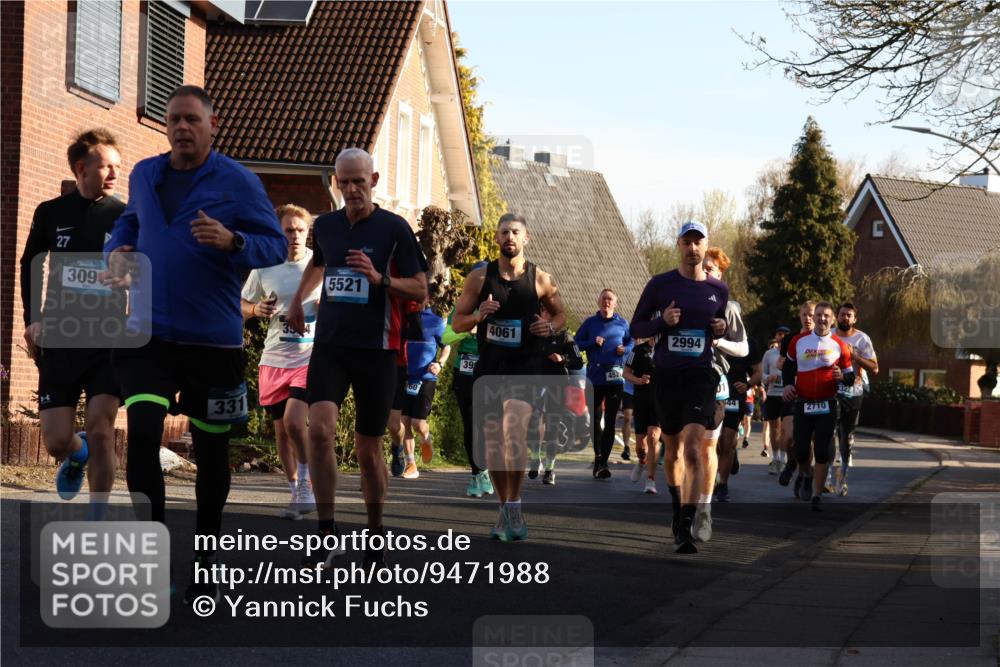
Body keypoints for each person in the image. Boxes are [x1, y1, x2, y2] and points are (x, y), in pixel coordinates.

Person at [103, 86, 287, 603]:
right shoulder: (145, 174)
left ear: (212, 125)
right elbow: (129, 221)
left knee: (211, 449)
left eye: (192, 119)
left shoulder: (239, 182)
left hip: (213, 341)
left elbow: (274, 244)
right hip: (148, 334)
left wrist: (234, 241)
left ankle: (206, 555)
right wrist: (116, 249)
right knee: (142, 435)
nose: (182, 127)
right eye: (174, 120)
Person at [286, 148, 427, 569]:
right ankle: (326, 531)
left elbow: (420, 288)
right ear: (336, 182)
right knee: (319, 432)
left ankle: (375, 530)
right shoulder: (326, 225)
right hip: (330, 346)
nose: (351, 190)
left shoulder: (395, 228)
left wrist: (380, 279)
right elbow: (319, 263)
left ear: (374, 180)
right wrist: (297, 300)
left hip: (377, 352)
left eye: (358, 182)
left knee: (368, 451)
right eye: (344, 182)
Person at [19, 128, 124, 506]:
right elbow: (30, 263)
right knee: (56, 441)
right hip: (61, 337)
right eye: (106, 166)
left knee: (101, 428)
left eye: (117, 166)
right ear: (81, 168)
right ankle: (77, 455)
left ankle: (98, 519)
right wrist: (32, 319)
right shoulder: (51, 212)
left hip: (108, 340)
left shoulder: (125, 216)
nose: (115, 174)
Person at [452, 213, 565, 541]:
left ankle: (514, 503)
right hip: (490, 368)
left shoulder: (540, 278)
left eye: (515, 232)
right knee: (493, 444)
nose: (509, 237)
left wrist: (550, 327)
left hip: (525, 367)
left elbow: (561, 314)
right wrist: (478, 315)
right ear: (497, 238)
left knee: (513, 433)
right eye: (504, 232)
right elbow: (456, 323)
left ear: (526, 238)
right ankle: (506, 507)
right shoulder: (479, 278)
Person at [630, 221, 728, 554]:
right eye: (687, 242)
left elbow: (720, 328)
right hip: (667, 377)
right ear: (679, 245)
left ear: (705, 246)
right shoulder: (660, 285)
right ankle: (677, 510)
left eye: (698, 242)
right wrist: (662, 322)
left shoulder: (718, 290)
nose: (692, 248)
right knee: (671, 451)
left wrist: (721, 327)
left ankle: (686, 524)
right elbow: (636, 328)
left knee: (693, 449)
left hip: (700, 377)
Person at [240, 204, 319, 519]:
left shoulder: (318, 263)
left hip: (308, 356)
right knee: (281, 433)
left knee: (294, 422)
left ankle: (308, 485)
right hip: (274, 358)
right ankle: (296, 491)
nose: (295, 236)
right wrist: (255, 309)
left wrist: (324, 305)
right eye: (289, 230)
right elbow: (241, 303)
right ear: (278, 232)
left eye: (301, 230)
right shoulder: (265, 265)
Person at [782, 301, 854, 511]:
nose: (822, 318)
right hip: (803, 402)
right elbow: (788, 366)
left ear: (832, 320)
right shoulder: (798, 341)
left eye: (826, 316)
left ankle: (816, 495)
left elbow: (850, 376)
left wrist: (842, 377)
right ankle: (806, 474)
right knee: (801, 450)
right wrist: (788, 385)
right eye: (819, 315)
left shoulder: (839, 345)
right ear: (814, 318)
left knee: (822, 450)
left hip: (827, 404)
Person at [702, 248, 755, 511]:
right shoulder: (687, 300)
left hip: (727, 382)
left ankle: (721, 484)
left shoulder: (729, 308)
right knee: (700, 442)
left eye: (709, 269)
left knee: (726, 440)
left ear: (720, 274)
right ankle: (703, 484)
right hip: (694, 379)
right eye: (702, 268)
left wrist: (719, 342)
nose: (704, 272)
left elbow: (744, 349)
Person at [442, 262, 493, 497]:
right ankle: (477, 473)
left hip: (490, 370)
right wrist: (469, 326)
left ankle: (486, 467)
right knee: (471, 423)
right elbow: (445, 335)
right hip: (465, 370)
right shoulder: (463, 306)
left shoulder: (498, 306)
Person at [575, 289, 633, 479]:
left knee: (610, 421)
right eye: (604, 299)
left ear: (615, 303)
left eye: (610, 299)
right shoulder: (590, 323)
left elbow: (632, 342)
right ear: (598, 302)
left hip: (615, 377)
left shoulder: (623, 323)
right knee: (595, 419)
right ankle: (598, 455)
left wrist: (625, 349)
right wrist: (592, 342)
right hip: (594, 377)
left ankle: (603, 463)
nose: (606, 302)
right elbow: (576, 344)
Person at [831, 302, 878, 496]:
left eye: (849, 315)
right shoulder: (828, 335)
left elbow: (875, 368)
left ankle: (842, 478)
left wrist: (855, 356)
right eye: (842, 314)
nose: (845, 318)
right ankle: (827, 477)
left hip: (853, 392)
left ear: (854, 319)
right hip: (830, 390)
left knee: (846, 436)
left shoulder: (862, 338)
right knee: (827, 433)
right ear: (837, 316)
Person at [399, 299, 450, 478]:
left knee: (418, 424)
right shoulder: (404, 318)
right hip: (406, 377)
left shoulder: (435, 320)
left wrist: (440, 364)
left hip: (426, 378)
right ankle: (411, 464)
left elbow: (446, 346)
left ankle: (426, 437)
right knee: (403, 422)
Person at [777, 301, 815, 498]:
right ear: (800, 316)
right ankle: (791, 463)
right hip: (792, 392)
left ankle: (804, 475)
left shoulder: (822, 340)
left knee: (806, 441)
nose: (808, 318)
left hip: (812, 394)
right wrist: (787, 379)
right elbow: (783, 364)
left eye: (811, 314)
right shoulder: (791, 339)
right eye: (804, 314)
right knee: (789, 438)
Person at [622, 338, 660, 492]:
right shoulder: (637, 350)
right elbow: (626, 373)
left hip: (660, 401)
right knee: (640, 446)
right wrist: (639, 380)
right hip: (641, 399)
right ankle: (642, 461)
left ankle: (650, 480)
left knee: (653, 438)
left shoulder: (668, 348)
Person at [761, 327, 790, 474]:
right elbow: (762, 374)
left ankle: (784, 460)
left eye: (785, 334)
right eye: (779, 334)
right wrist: (768, 378)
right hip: (773, 394)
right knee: (774, 429)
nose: (782, 337)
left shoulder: (793, 353)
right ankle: (776, 458)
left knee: (786, 429)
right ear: (776, 336)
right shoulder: (769, 354)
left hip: (788, 395)